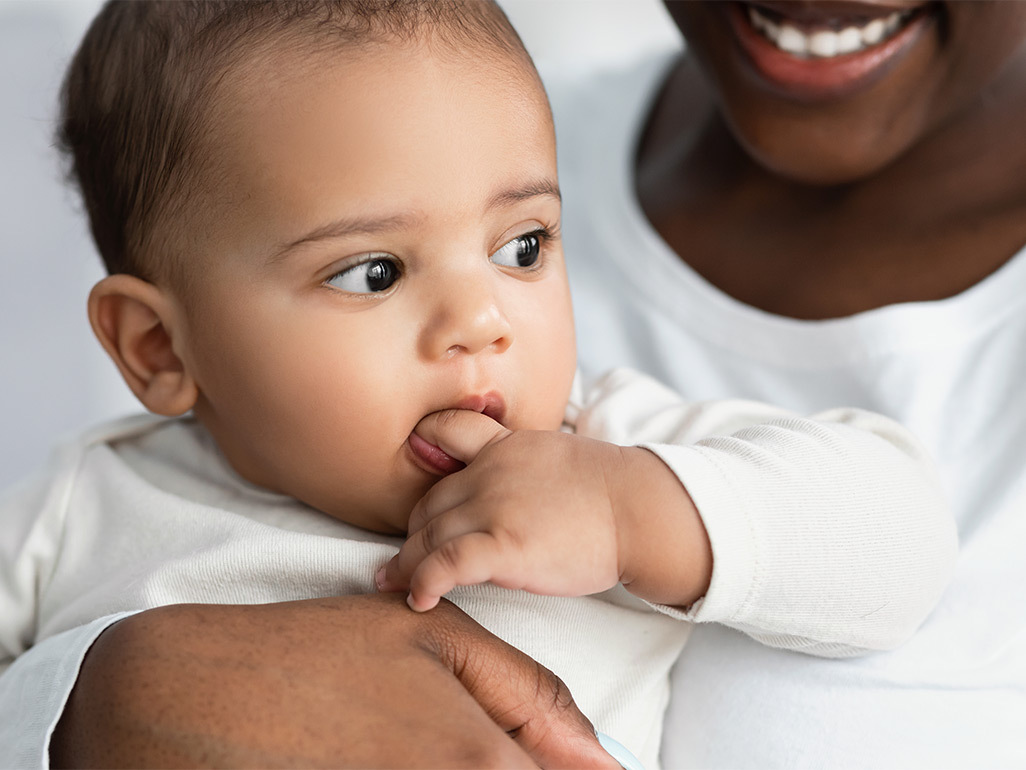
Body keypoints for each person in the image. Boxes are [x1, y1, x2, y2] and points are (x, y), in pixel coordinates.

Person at [0, 0, 963, 767]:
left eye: (523, 247)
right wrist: (72, 714)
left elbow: (904, 535)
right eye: (374, 272)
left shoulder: (595, 451)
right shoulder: (82, 508)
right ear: (159, 348)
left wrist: (639, 515)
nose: (481, 322)